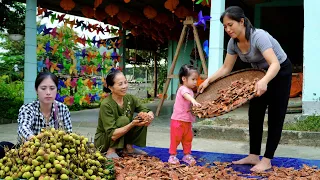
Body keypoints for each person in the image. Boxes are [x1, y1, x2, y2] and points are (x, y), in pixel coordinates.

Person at [198, 6, 292, 172]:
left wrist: (264, 81)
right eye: (225, 26)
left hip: (279, 71)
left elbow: (275, 64)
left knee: (276, 116)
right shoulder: (233, 43)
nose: (227, 29)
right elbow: (226, 68)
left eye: (230, 24)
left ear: (241, 21)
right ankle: (253, 155)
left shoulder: (259, 37)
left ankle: (267, 159)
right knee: (255, 113)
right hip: (258, 74)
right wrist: (208, 81)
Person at [0, 72, 72, 158]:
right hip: (28, 153)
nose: (48, 92)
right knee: (2, 146)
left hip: (55, 154)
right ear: (36, 90)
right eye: (43, 88)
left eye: (52, 88)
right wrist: (36, 142)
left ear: (57, 89)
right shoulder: (27, 108)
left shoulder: (63, 109)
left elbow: (69, 135)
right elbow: (23, 128)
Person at [94, 70, 154, 158]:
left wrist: (149, 116)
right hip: (105, 140)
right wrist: (132, 124)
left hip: (121, 137)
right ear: (111, 87)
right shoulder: (106, 104)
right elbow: (112, 134)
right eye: (120, 84)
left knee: (142, 117)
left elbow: (146, 110)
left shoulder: (130, 98)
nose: (124, 86)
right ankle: (111, 150)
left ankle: (128, 148)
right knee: (124, 120)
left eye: (125, 82)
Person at [168, 64, 201, 165]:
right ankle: (172, 156)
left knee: (188, 139)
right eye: (193, 79)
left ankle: (187, 155)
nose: (195, 82)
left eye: (197, 79)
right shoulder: (182, 89)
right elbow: (186, 95)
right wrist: (193, 100)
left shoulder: (191, 90)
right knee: (175, 139)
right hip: (178, 120)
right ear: (184, 79)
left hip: (187, 121)